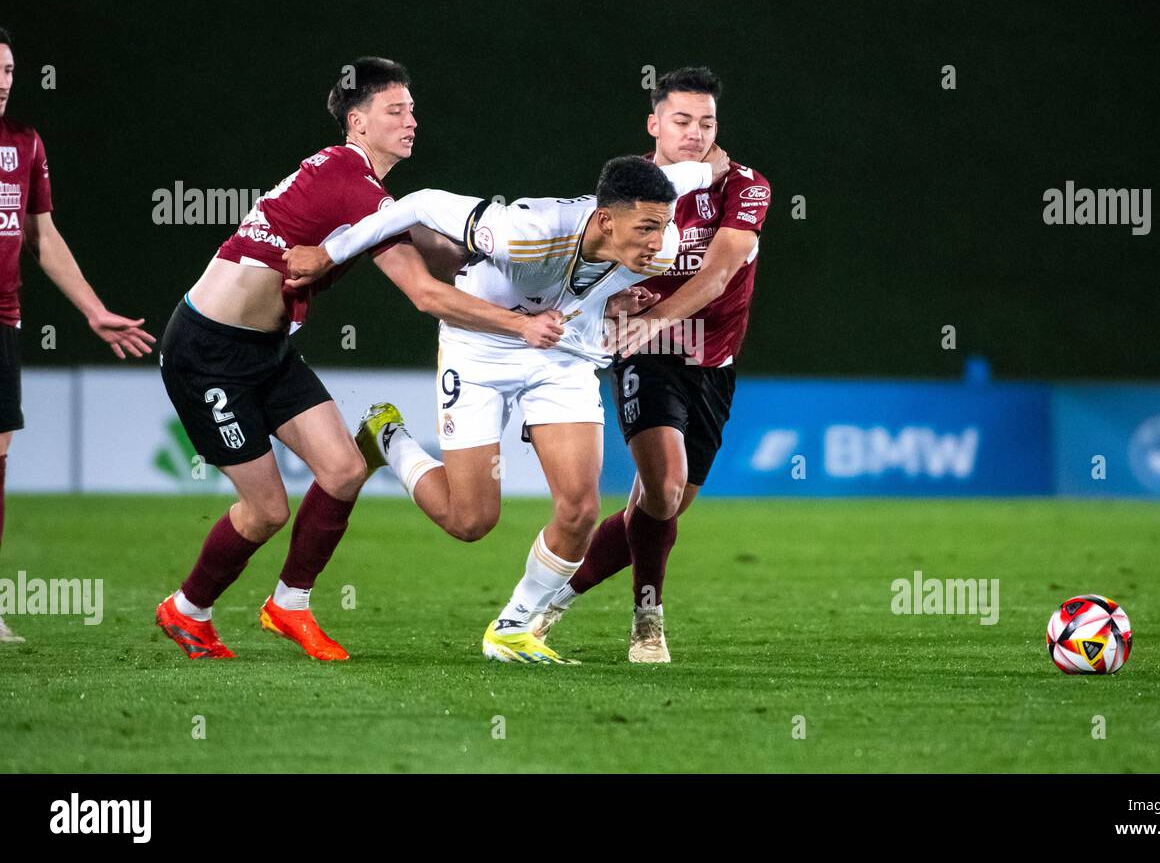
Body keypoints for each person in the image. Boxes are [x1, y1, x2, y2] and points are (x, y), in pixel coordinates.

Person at [154, 56, 564, 661]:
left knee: (344, 471)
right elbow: (426, 292)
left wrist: (551, 267)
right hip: (207, 353)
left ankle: (288, 607)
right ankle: (187, 610)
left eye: (413, 109)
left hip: (266, 350)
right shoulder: (352, 183)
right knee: (266, 509)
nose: (411, 120)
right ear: (357, 121)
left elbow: (450, 254)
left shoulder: (366, 189)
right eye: (395, 110)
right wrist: (520, 324)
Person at [282, 150, 726, 663]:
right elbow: (421, 202)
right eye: (647, 228)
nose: (658, 243)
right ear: (605, 219)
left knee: (580, 508)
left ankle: (513, 627)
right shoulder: (525, 231)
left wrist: (715, 168)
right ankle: (388, 436)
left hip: (561, 355)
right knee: (469, 521)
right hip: (480, 348)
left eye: (664, 227)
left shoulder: (660, 240)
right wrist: (330, 254)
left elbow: (697, 172)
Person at [534, 67, 772, 662]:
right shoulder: (628, 190)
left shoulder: (747, 187)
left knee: (660, 506)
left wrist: (653, 315)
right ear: (655, 124)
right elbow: (588, 271)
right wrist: (616, 306)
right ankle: (649, 620)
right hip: (647, 354)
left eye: (707, 122)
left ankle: (548, 601)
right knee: (662, 490)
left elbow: (719, 274)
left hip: (713, 362)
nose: (695, 132)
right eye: (682, 120)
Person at [0, 27, 156, 644]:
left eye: (10, 69)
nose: (4, 80)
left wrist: (93, 309)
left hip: (3, 321)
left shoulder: (24, 143)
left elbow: (42, 236)